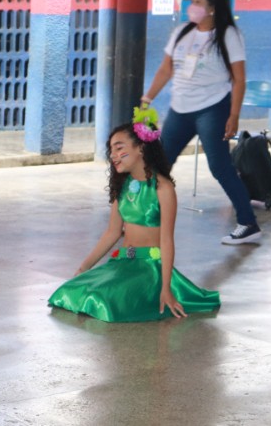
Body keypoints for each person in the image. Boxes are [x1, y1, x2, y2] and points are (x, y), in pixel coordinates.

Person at [47, 108, 220, 322]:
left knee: (101, 299)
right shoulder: (123, 186)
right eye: (111, 150)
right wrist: (84, 267)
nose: (113, 156)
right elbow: (112, 233)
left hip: (150, 269)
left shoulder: (163, 189)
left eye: (119, 148)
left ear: (140, 148)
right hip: (123, 263)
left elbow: (166, 241)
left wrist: (165, 289)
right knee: (71, 290)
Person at [142, 0, 260, 246]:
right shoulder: (182, 32)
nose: (191, 5)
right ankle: (146, 216)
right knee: (159, 164)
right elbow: (165, 69)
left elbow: (239, 79)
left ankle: (248, 222)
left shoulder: (229, 34)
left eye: (197, 0)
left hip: (213, 108)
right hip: (180, 109)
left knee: (219, 166)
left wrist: (234, 114)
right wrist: (147, 97)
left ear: (212, 8)